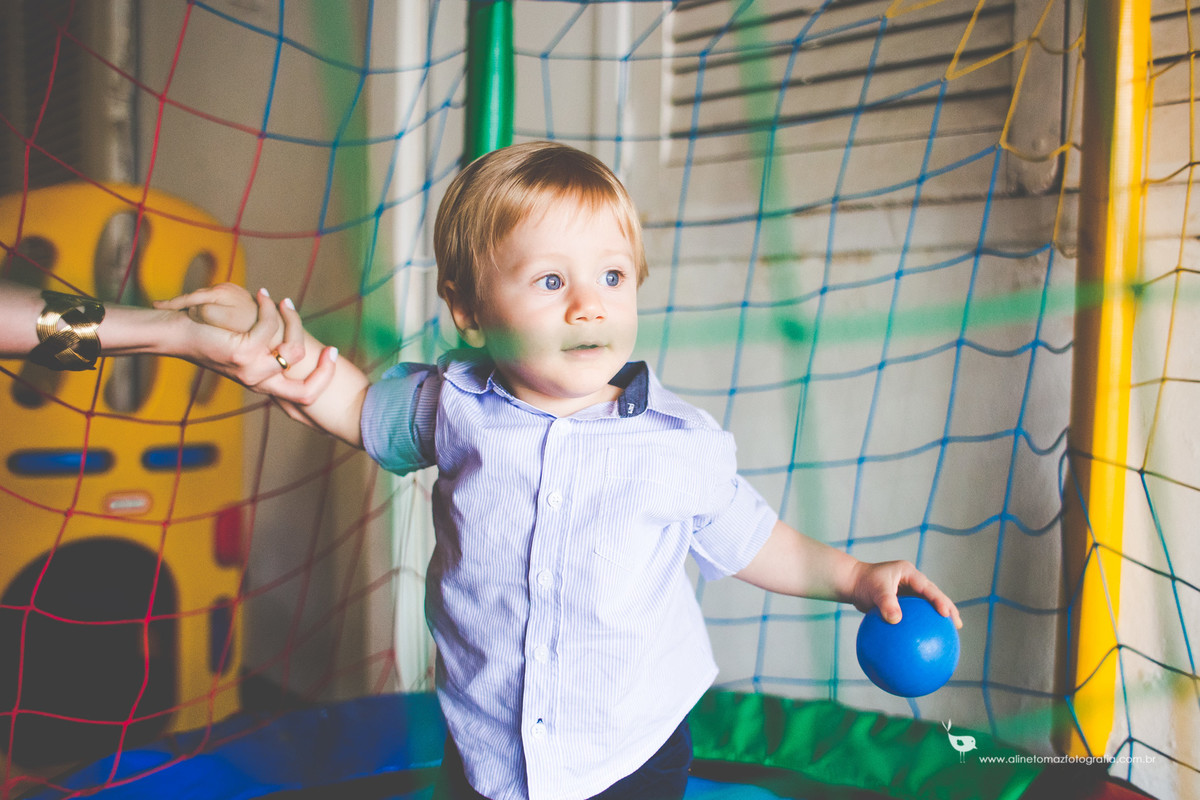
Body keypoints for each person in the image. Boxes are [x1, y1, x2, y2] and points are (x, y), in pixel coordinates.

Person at [7, 141, 962, 800]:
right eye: (551, 280)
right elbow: (351, 405)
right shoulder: (450, 403)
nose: (589, 303)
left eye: (613, 278)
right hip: (489, 745)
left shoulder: (678, 443)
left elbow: (753, 539)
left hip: (630, 749)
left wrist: (853, 579)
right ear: (468, 309)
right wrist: (284, 363)